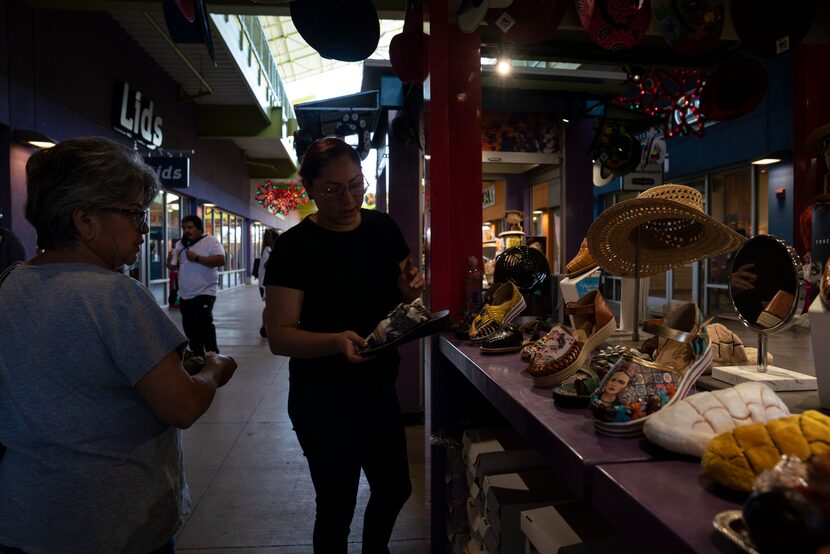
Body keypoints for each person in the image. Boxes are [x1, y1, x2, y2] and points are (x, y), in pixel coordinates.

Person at [0, 137, 238, 553]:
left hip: (25, 518)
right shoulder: (115, 295)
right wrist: (215, 369)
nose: (145, 228)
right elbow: (180, 405)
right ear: (85, 221)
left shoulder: (9, 285)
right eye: (134, 214)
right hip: (115, 524)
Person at [264, 137, 424, 554]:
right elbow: (279, 337)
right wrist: (335, 341)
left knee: (395, 488)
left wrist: (409, 291)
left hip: (377, 388)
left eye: (356, 184)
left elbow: (404, 294)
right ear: (310, 189)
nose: (349, 199)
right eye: (333, 190)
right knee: (336, 506)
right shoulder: (294, 247)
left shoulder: (384, 228)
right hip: (322, 397)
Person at [167, 214, 225, 357]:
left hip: (205, 291)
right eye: (184, 228)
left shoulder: (210, 241)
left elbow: (221, 260)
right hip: (185, 293)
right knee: (190, 327)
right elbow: (173, 267)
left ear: (199, 228)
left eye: (190, 227)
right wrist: (169, 261)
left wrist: (197, 258)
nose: (187, 230)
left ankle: (213, 354)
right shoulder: (180, 244)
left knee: (204, 322)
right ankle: (198, 356)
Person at [258, 228, 280, 338]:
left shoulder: (267, 249)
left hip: (265, 282)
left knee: (269, 306)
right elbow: (267, 265)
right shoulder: (268, 250)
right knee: (269, 306)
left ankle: (265, 327)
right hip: (265, 283)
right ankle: (264, 327)